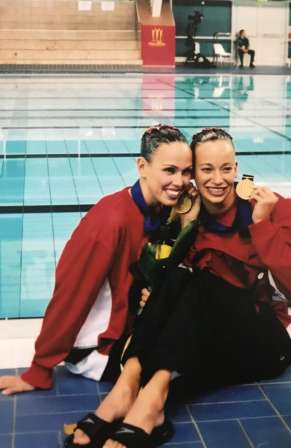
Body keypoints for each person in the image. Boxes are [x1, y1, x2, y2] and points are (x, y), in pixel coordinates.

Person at [71, 127, 291, 448]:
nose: (218, 179)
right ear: (193, 176)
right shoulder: (189, 218)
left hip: (270, 340)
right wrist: (181, 235)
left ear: (237, 168)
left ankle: (150, 395)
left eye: (226, 169)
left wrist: (260, 225)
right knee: (179, 277)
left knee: (200, 281)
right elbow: (166, 287)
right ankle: (129, 384)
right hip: (215, 340)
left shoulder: (267, 208)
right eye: (207, 170)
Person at [0, 125, 193, 396]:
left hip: (127, 332)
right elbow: (71, 294)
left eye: (187, 172)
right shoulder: (110, 220)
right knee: (195, 362)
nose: (180, 181)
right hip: (97, 352)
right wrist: (40, 368)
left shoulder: (159, 212)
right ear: (142, 167)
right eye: (170, 170)